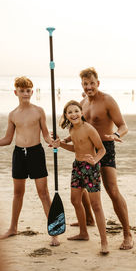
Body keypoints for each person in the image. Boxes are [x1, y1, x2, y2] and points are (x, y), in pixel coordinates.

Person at [0, 76, 59, 246]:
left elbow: (46, 134)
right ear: (15, 92)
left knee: (44, 193)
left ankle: (54, 232)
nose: (25, 93)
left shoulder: (39, 111)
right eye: (22, 90)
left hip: (36, 153)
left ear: (32, 92)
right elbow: (7, 139)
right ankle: (13, 227)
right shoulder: (12, 115)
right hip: (19, 154)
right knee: (18, 193)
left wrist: (51, 141)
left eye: (28, 90)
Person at [66, 68, 133, 250]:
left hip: (106, 147)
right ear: (82, 85)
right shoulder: (82, 103)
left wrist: (117, 134)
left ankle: (127, 234)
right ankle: (88, 219)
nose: (89, 87)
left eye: (92, 83)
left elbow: (123, 125)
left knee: (111, 189)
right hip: (86, 149)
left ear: (98, 83)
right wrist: (61, 140)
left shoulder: (107, 100)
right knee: (83, 186)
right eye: (85, 84)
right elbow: (77, 128)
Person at [54, 100, 109, 254]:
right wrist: (61, 143)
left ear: (82, 112)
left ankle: (104, 241)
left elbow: (102, 150)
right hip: (77, 167)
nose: (74, 114)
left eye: (76, 111)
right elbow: (75, 146)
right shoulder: (71, 128)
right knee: (75, 200)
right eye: (70, 112)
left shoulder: (89, 129)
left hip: (91, 168)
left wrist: (95, 160)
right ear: (66, 115)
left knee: (96, 205)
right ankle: (83, 233)